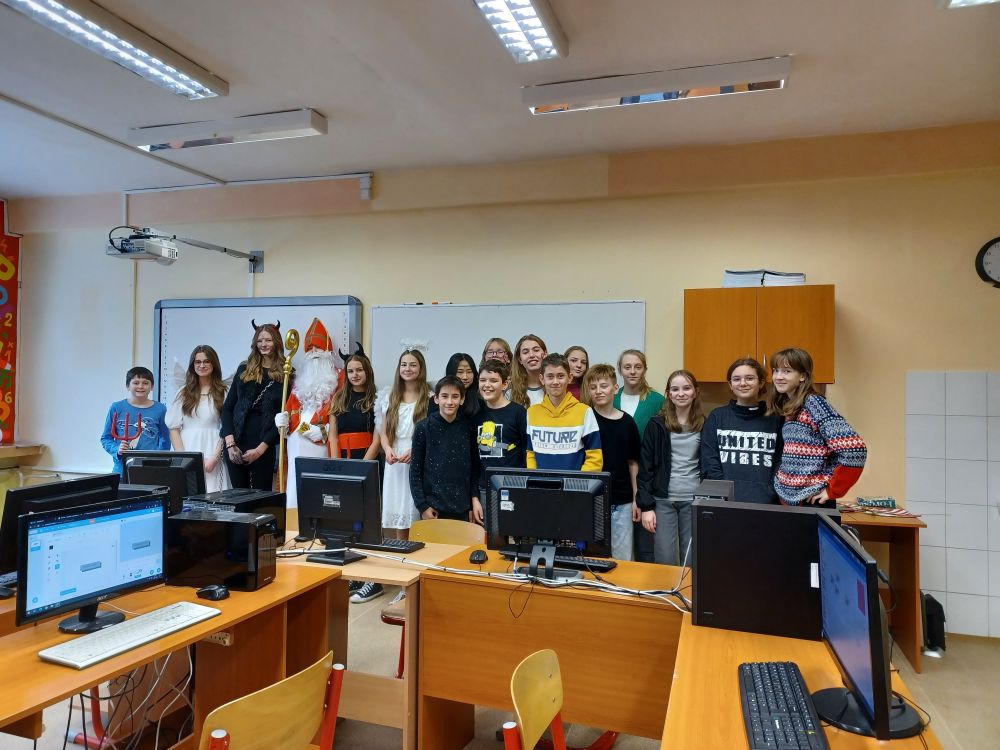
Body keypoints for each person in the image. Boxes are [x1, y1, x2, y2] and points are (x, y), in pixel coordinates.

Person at [355, 349, 429, 604]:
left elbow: (429, 432)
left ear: (421, 368)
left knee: (412, 517)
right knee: (395, 517)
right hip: (394, 462)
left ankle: (411, 578)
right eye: (404, 364)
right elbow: (384, 432)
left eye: (413, 364)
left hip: (416, 460)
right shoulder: (389, 396)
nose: (408, 369)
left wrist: (415, 451)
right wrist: (387, 449)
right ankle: (394, 574)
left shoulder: (428, 397)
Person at [768, 348, 867, 506]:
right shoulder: (791, 406)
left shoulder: (814, 403)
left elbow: (854, 449)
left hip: (811, 500)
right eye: (775, 370)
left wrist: (832, 490)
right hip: (790, 498)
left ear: (802, 376)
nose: (778, 377)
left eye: (787, 371)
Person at [638, 370, 704, 566]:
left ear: (695, 392)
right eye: (675, 389)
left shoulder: (705, 424)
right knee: (664, 558)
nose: (681, 393)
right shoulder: (656, 425)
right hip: (663, 500)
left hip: (694, 500)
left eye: (686, 388)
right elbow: (645, 468)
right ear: (668, 394)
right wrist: (646, 507)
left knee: (692, 560)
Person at [274, 318, 340, 507]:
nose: (314, 353)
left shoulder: (339, 378)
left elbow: (343, 415)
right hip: (296, 441)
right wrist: (282, 422)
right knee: (295, 489)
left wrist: (325, 431)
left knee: (318, 491)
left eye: (318, 348)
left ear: (327, 352)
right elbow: (289, 411)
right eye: (310, 349)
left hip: (320, 445)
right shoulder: (299, 382)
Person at [700, 357, 783, 504]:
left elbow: (781, 462)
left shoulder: (776, 419)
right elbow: (709, 462)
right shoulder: (717, 417)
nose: (743, 383)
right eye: (736, 379)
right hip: (725, 503)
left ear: (761, 382)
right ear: (730, 385)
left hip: (766, 503)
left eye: (749, 378)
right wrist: (723, 494)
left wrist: (769, 493)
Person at [583, 364, 640, 560]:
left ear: (615, 388)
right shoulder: (585, 420)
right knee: (593, 557)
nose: (598, 391)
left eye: (604, 386)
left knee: (623, 558)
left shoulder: (628, 422)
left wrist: (636, 498)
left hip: (622, 500)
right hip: (591, 499)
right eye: (593, 387)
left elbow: (633, 463)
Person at [220, 323, 286, 491]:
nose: (263, 344)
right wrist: (230, 445)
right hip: (235, 445)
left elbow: (282, 420)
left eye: (268, 340)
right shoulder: (244, 369)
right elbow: (227, 409)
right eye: (260, 340)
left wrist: (260, 450)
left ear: (277, 342)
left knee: (261, 499)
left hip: (263, 446)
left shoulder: (286, 374)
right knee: (239, 497)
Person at [613, 349, 664, 563]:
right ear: (620, 370)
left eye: (638, 367)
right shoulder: (611, 398)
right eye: (627, 367)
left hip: (648, 478)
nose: (632, 371)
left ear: (645, 369)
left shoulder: (657, 401)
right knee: (619, 542)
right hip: (617, 478)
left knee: (646, 541)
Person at [410, 376, 480, 523]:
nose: (449, 402)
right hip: (432, 509)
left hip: (463, 508)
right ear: (436, 399)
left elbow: (474, 468)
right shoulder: (423, 427)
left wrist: (474, 499)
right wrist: (422, 506)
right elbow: (415, 470)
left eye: (455, 396)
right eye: (444, 396)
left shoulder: (468, 427)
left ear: (462, 399)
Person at [166, 345, 230, 492]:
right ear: (192, 365)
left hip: (214, 449)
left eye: (206, 361)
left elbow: (226, 427)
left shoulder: (223, 392)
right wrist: (185, 459)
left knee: (214, 494)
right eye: (198, 362)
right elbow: (173, 428)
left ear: (214, 364)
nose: (202, 365)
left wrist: (215, 458)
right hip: (188, 448)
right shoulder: (183, 392)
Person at [525, 353, 602, 472]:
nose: (555, 382)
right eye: (550, 376)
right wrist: (535, 479)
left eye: (560, 376)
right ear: (542, 379)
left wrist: (578, 481)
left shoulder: (585, 412)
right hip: (539, 483)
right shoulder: (532, 413)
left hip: (574, 483)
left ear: (569, 378)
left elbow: (594, 457)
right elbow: (530, 454)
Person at [474, 360, 527, 516]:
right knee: (488, 530)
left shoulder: (518, 412)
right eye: (483, 380)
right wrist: (474, 497)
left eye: (493, 380)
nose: (487, 385)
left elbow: (526, 451)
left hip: (514, 486)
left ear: (504, 384)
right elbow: (474, 460)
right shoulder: (476, 415)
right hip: (485, 489)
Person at [100, 366, 170, 475]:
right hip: (122, 470)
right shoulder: (117, 407)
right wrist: (117, 449)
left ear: (152, 386)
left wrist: (159, 459)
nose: (140, 386)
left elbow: (165, 438)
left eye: (145, 383)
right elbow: (106, 438)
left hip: (150, 469)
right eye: (136, 383)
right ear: (128, 386)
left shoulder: (160, 409)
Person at [329, 351, 380, 460]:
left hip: (368, 458)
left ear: (367, 371)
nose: (355, 375)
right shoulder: (338, 398)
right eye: (350, 371)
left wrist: (363, 466)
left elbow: (377, 440)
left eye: (359, 370)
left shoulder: (377, 399)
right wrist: (336, 463)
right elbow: (332, 436)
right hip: (342, 458)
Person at [511, 334, 548, 408]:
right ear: (520, 360)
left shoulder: (555, 386)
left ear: (545, 354)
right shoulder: (510, 392)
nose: (531, 355)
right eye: (525, 352)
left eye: (536, 350)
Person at [444, 352, 483, 419]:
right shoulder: (438, 401)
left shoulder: (480, 403)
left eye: (469, 371)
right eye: (460, 372)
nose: (465, 377)